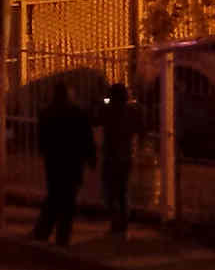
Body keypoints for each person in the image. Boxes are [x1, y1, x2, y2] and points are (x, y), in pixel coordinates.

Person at [33, 84, 94, 245]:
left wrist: (43, 153)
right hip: (72, 163)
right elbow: (86, 138)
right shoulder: (78, 114)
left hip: (54, 162)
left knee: (54, 197)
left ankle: (42, 231)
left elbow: (41, 139)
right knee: (67, 202)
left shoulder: (47, 113)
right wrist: (90, 158)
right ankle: (61, 236)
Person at [96, 83, 143, 234]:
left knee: (110, 191)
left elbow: (95, 119)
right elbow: (140, 127)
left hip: (111, 156)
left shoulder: (108, 111)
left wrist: (102, 103)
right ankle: (123, 221)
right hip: (125, 156)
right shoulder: (132, 112)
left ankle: (116, 220)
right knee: (122, 190)